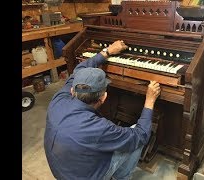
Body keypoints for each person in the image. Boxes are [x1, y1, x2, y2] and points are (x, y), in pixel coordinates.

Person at [44, 40, 161, 180]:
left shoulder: (59, 99)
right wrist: (150, 100)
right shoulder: (99, 127)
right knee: (134, 139)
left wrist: (107, 51)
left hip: (60, 170)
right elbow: (141, 135)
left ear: (72, 90)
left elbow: (79, 69)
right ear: (103, 97)